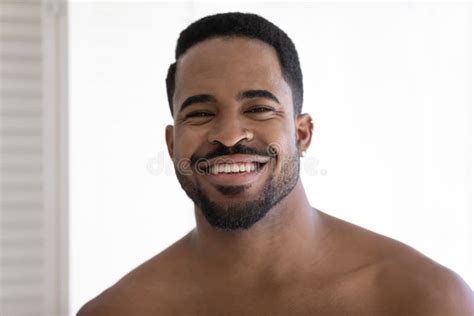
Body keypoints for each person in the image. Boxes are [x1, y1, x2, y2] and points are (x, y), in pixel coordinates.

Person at [78, 12, 473, 315]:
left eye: (259, 108)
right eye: (199, 113)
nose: (230, 135)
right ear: (171, 143)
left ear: (302, 134)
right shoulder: (120, 310)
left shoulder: (420, 299)